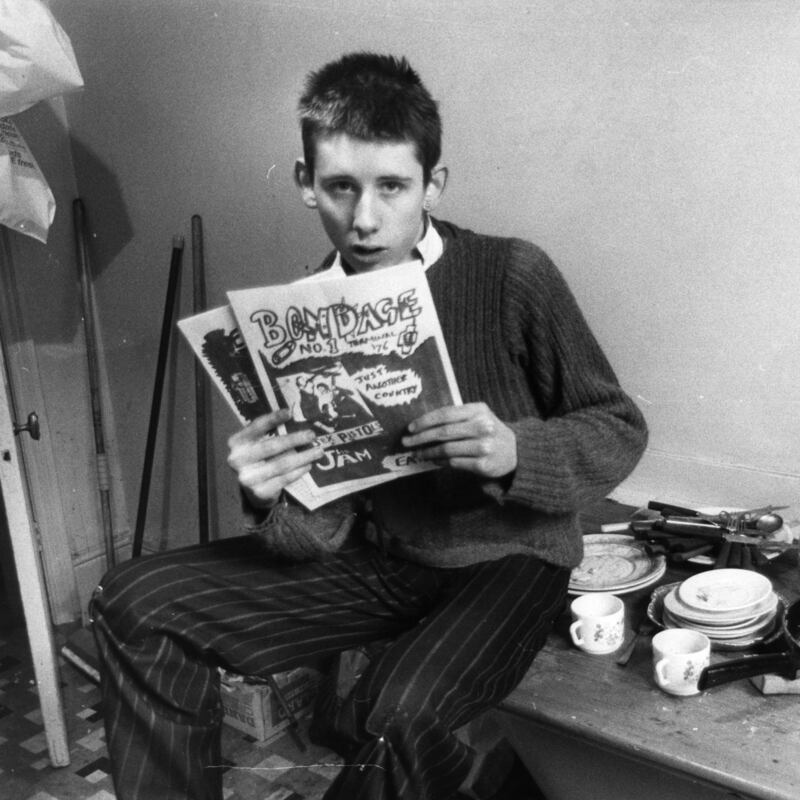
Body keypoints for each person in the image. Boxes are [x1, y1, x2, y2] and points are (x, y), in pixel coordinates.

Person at [90, 52, 648, 800]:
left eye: (393, 186)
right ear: (303, 182)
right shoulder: (296, 315)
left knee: (396, 717)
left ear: (433, 184)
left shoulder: (512, 273)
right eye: (340, 187)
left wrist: (520, 451)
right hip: (382, 562)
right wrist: (273, 496)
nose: (365, 218)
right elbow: (311, 540)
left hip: (512, 559)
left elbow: (618, 424)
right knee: (134, 602)